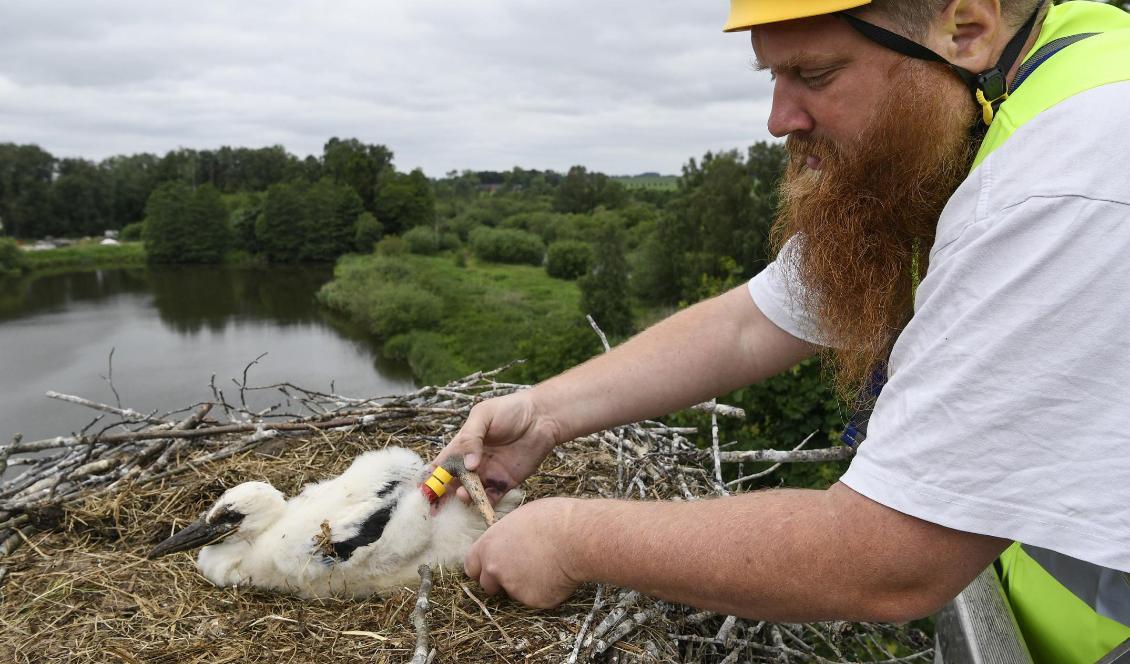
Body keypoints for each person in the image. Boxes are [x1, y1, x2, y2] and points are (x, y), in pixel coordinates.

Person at [433, 1, 1130, 660]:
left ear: (967, 28)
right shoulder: (986, 104)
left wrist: (569, 538)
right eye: (774, 75)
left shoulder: (1074, 171)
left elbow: (886, 559)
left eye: (814, 75)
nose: (778, 119)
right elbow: (753, 321)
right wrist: (546, 415)